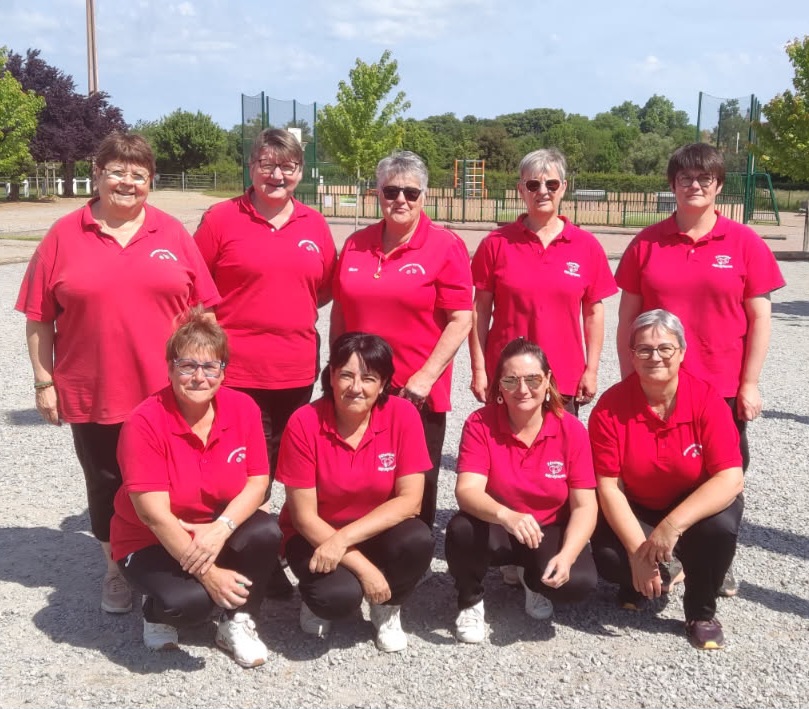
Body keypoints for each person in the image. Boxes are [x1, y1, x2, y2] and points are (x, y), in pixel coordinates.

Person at [15, 132, 220, 615]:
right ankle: (115, 565)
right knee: (107, 481)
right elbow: (38, 318)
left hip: (170, 395)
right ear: (99, 174)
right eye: (117, 171)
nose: (127, 182)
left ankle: (175, 555)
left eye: (138, 174)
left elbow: (203, 315)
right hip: (95, 389)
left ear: (150, 181)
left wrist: (209, 375)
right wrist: (44, 382)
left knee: (173, 480)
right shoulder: (64, 235)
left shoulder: (171, 234)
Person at [614, 143, 784, 595]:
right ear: (672, 185)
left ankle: (715, 559)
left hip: (721, 386)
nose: (694, 185)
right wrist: (631, 379)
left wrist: (749, 384)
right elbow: (627, 318)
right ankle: (661, 554)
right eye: (685, 178)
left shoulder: (744, 243)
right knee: (657, 473)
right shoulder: (646, 243)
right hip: (659, 387)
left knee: (723, 477)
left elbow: (760, 317)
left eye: (704, 179)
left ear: (719, 186)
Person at [111, 310, 279, 667]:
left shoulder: (243, 408)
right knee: (191, 605)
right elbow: (153, 516)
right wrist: (210, 575)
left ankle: (237, 622)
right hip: (151, 538)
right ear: (170, 368)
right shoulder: (144, 422)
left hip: (212, 526)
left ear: (223, 371)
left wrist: (222, 529)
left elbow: (258, 481)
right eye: (187, 366)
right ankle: (155, 612)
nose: (199, 377)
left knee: (265, 530)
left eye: (211, 367)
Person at [330, 151, 473, 530]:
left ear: (425, 195)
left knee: (413, 482)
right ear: (377, 193)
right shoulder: (356, 244)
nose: (401, 200)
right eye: (391, 191)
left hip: (416, 391)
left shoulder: (445, 246)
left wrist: (426, 377)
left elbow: (461, 319)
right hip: (360, 387)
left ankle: (410, 559)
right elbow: (340, 311)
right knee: (360, 475)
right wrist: (334, 368)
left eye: (411, 192)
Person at [589, 309, 744, 651]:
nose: (654, 356)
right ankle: (653, 572)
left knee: (718, 530)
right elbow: (608, 486)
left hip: (692, 507)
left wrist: (671, 527)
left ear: (682, 352)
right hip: (639, 504)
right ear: (631, 356)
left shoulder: (706, 399)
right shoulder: (611, 406)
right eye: (643, 349)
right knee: (610, 558)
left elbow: (731, 477)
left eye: (665, 348)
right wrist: (638, 554)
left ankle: (700, 612)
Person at [276, 332, 434, 652]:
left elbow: (410, 501)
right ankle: (315, 597)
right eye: (346, 375)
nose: (356, 387)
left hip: (368, 531)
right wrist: (365, 569)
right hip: (314, 534)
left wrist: (343, 540)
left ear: (384, 382)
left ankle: (387, 607)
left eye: (368, 378)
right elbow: (303, 518)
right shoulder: (304, 422)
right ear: (331, 375)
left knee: (418, 539)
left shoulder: (403, 415)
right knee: (337, 599)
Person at [193, 128, 336, 477]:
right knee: (239, 465)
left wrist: (286, 308)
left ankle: (281, 530)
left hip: (295, 369)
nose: (277, 176)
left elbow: (326, 286)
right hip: (236, 370)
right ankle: (239, 528)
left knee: (288, 461)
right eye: (267, 165)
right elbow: (195, 285)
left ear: (300, 172)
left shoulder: (314, 224)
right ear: (251, 167)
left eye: (288, 167)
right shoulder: (220, 219)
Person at [446, 338, 598, 644]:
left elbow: (585, 506)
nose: (523, 389)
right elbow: (467, 490)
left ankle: (531, 579)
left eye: (532, 379)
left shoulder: (570, 429)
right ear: (499, 386)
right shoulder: (480, 424)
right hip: (498, 525)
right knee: (461, 529)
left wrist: (567, 556)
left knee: (578, 583)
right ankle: (471, 600)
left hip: (546, 527)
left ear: (548, 382)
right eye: (511, 380)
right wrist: (507, 516)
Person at [469, 148, 617, 415]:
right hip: (508, 373)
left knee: (557, 452)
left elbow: (593, 314)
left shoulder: (586, 246)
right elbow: (479, 312)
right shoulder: (495, 244)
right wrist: (479, 369)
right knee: (505, 451)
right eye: (533, 184)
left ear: (563, 188)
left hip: (562, 374)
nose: (543, 191)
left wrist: (592, 370)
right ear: (521, 190)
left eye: (551, 184)